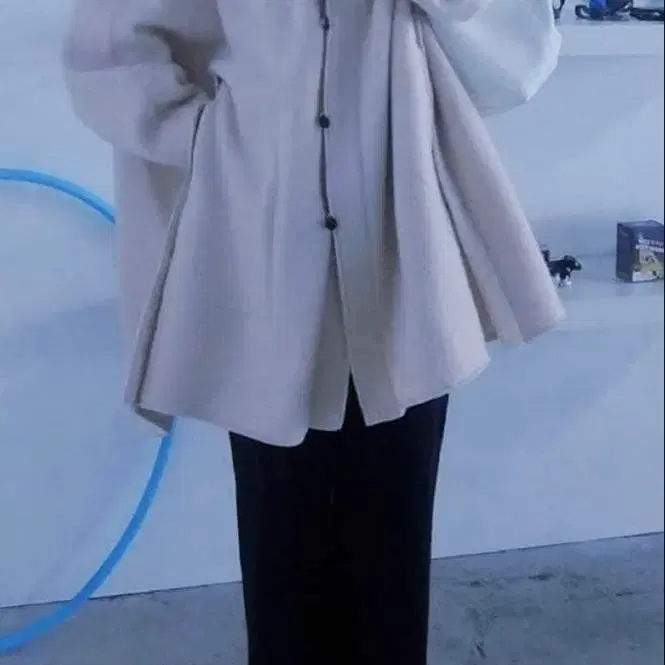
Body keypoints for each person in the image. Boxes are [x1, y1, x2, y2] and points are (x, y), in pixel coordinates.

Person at [63, 1, 564, 663]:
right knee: (279, 534)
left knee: (394, 531)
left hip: (397, 247)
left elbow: (517, 53)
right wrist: (204, 136)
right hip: (266, 254)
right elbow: (108, 47)